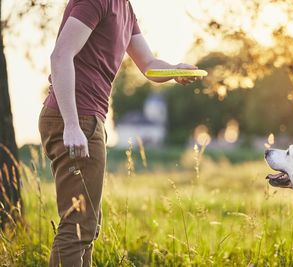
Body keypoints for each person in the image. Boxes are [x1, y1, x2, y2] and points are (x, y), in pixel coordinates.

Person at [38, 0, 198, 266]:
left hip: (89, 119)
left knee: (87, 225)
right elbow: (60, 55)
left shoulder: (125, 8)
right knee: (79, 226)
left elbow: (148, 64)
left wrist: (175, 70)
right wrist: (72, 124)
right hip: (78, 117)